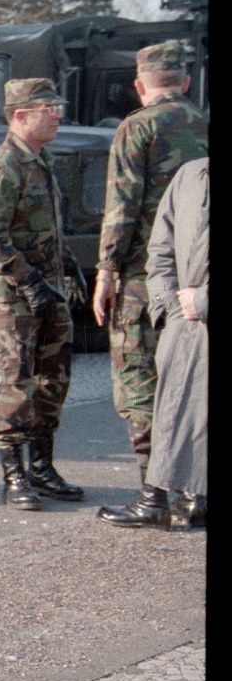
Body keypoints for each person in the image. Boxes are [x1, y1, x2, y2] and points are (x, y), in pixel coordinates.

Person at [92, 41, 208, 527]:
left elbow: (122, 208)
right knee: (194, 385)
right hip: (196, 279)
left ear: (141, 86)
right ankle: (194, 495)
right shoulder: (202, 122)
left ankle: (152, 494)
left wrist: (106, 271)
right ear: (184, 82)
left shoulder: (136, 127)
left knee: (139, 385)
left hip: (146, 280)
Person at [0, 77, 87, 511]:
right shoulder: (2, 167)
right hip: (11, 296)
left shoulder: (43, 161)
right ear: (21, 115)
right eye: (48, 107)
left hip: (48, 290)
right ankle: (14, 476)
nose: (58, 114)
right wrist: (29, 282)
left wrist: (67, 269)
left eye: (57, 105)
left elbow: (46, 230)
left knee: (52, 380)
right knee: (15, 383)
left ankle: (42, 468)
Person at [141, 158, 208, 528]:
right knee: (180, 411)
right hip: (185, 322)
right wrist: (170, 306)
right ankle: (183, 496)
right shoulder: (190, 175)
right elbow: (160, 247)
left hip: (198, 309)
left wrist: (201, 301)